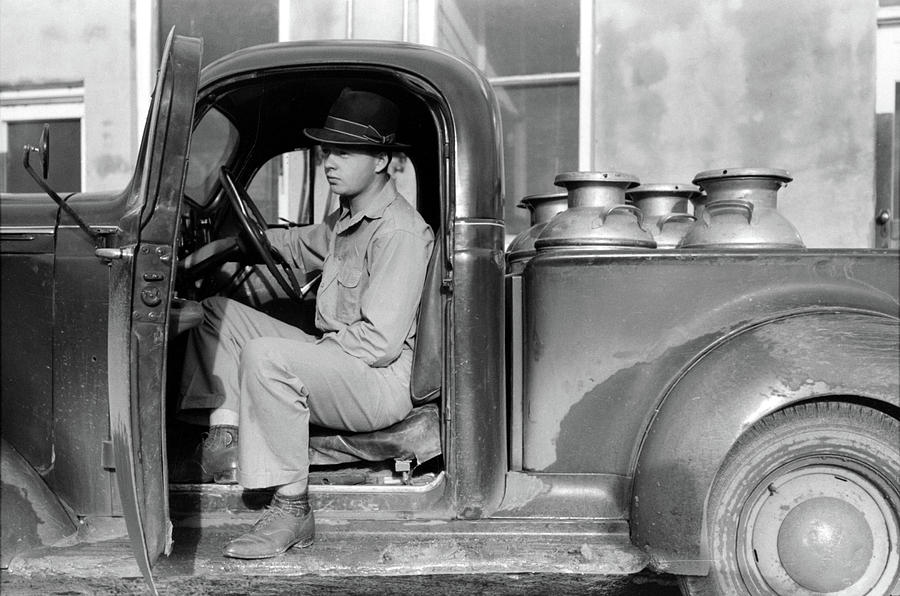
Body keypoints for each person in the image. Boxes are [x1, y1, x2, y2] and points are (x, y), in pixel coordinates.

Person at [176, 88, 434, 559]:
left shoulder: (399, 231)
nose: (329, 161)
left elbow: (378, 343)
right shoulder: (346, 219)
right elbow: (298, 245)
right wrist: (237, 244)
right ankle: (227, 442)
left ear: (380, 161)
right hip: (341, 359)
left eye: (344, 151)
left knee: (266, 357)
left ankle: (292, 509)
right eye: (327, 150)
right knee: (218, 312)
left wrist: (310, 356)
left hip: (379, 382)